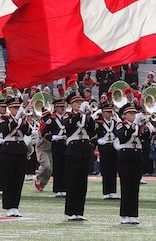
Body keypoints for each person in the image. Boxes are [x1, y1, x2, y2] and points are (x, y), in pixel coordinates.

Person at [63, 92, 96, 221]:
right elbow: (69, 126)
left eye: (81, 102)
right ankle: (71, 212)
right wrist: (80, 113)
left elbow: (93, 129)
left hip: (85, 150)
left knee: (83, 182)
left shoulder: (86, 116)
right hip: (73, 149)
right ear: (71, 104)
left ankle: (79, 211)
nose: (79, 105)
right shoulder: (68, 115)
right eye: (77, 103)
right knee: (72, 181)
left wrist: (89, 116)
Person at [0, 94, 30, 217]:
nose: (17, 109)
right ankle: (8, 206)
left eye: (18, 107)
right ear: (10, 108)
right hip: (8, 149)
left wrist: (25, 120)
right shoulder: (4, 118)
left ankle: (15, 206)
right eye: (14, 107)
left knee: (18, 179)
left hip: (20, 148)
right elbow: (6, 129)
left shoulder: (22, 118)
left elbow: (28, 131)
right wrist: (16, 118)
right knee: (8, 178)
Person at [115, 102, 148, 225]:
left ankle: (133, 215)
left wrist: (144, 125)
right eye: (131, 114)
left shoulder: (138, 125)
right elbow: (123, 137)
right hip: (125, 156)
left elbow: (146, 137)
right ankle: (125, 215)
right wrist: (134, 125)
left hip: (137, 156)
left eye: (134, 113)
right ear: (124, 115)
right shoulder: (120, 125)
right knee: (126, 186)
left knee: (135, 187)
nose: (133, 115)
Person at [42, 95, 68, 197]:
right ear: (56, 107)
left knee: (66, 167)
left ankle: (65, 188)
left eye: (63, 106)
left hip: (66, 144)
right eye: (60, 106)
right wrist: (53, 137)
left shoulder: (67, 118)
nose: (62, 108)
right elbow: (44, 133)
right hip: (57, 145)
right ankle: (58, 189)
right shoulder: (51, 119)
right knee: (58, 167)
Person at [96, 97, 118, 199]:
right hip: (104, 148)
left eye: (110, 112)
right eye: (107, 112)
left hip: (113, 147)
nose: (109, 114)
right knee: (105, 169)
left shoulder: (115, 122)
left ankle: (112, 191)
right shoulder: (99, 123)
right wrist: (99, 140)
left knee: (113, 169)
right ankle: (106, 192)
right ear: (103, 112)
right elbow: (94, 135)